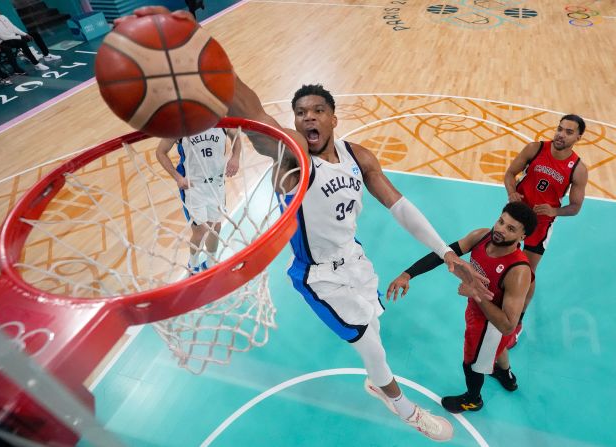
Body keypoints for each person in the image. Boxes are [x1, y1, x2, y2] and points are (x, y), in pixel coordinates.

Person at [122, 7, 494, 442]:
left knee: (372, 324)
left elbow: (400, 206)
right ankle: (401, 405)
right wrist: (194, 44)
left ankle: (379, 380)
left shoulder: (360, 157)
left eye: (319, 111)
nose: (309, 118)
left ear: (334, 118)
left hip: (354, 259)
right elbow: (249, 106)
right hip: (319, 276)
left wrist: (449, 255)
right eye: (301, 112)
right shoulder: (292, 161)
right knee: (368, 344)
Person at [388, 202, 537, 413]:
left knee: (471, 362)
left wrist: (475, 293)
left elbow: (507, 326)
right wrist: (408, 274)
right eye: (501, 221)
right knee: (498, 349)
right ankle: (506, 375)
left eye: (511, 229)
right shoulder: (482, 236)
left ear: (522, 237)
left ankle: (473, 399)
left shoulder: (517, 271)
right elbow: (444, 253)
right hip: (480, 311)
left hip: (490, 324)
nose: (500, 230)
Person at [502, 115, 589, 346]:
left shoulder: (578, 169)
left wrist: (554, 211)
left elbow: (575, 207)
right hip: (515, 215)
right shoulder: (535, 148)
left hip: (541, 224)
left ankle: (517, 322)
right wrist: (512, 192)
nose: (561, 134)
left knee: (527, 273)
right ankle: (497, 300)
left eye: (569, 132)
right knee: (500, 258)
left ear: (578, 137)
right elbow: (510, 174)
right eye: (560, 129)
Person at [156, 127, 241, 273]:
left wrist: (235, 157)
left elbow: (236, 136)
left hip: (216, 185)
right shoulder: (180, 124)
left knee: (216, 228)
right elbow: (160, 152)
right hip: (194, 188)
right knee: (200, 231)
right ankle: (193, 264)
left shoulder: (220, 119)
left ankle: (210, 263)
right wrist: (178, 178)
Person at [0, 3, 54, 72]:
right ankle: (36, 64)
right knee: (22, 42)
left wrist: (24, 34)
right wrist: (18, 37)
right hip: (4, 42)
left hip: (14, 37)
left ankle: (47, 55)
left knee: (34, 34)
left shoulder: (3, 16)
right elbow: (2, 36)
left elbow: (13, 27)